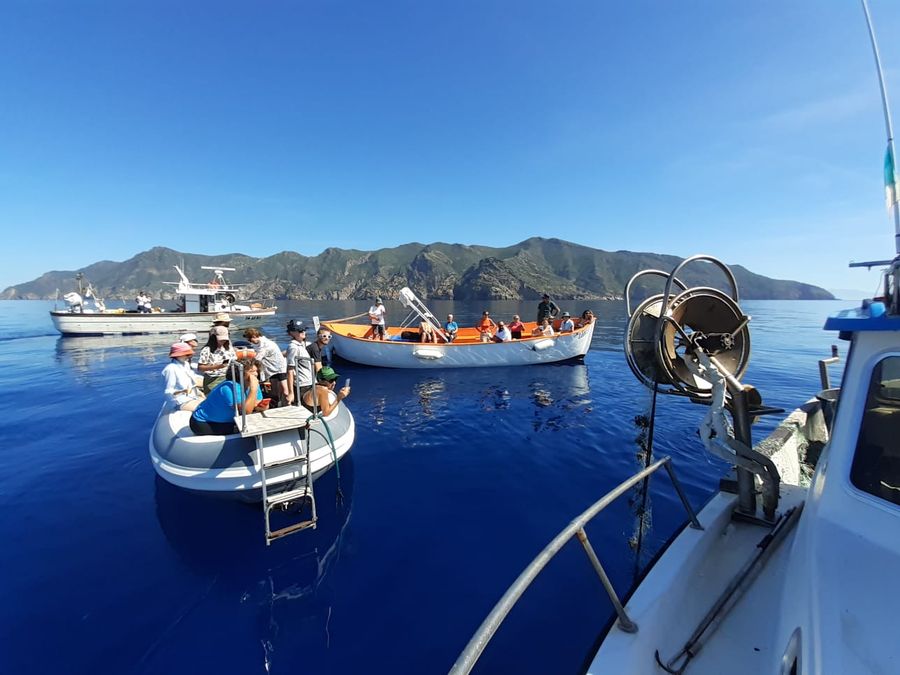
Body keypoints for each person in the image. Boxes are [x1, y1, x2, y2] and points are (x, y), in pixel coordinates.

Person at [189, 358, 265, 435]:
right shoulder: (229, 387)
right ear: (239, 373)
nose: (256, 374)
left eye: (256, 371)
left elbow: (255, 404)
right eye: (251, 372)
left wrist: (262, 406)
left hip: (229, 420)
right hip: (206, 422)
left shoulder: (254, 384)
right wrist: (253, 390)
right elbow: (245, 411)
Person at [243, 327, 288, 406]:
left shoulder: (265, 344)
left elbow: (258, 358)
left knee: (285, 390)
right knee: (274, 390)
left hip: (279, 367)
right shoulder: (259, 344)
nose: (250, 342)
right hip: (270, 368)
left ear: (254, 336)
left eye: (250, 340)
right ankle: (277, 403)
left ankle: (288, 403)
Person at [162, 342, 204, 411]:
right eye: (187, 354)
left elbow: (191, 383)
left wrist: (199, 393)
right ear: (177, 355)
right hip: (181, 402)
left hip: (192, 397)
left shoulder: (186, 364)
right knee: (206, 408)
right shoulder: (171, 369)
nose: (189, 356)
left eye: (189, 354)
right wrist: (176, 402)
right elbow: (169, 391)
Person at [198, 325, 237, 393]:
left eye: (225, 339)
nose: (223, 341)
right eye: (221, 339)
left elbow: (234, 359)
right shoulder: (207, 350)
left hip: (227, 376)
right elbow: (200, 367)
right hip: (213, 378)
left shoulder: (229, 348)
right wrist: (217, 366)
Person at [285, 319, 314, 405]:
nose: (303, 332)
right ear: (292, 333)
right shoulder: (293, 347)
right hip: (302, 385)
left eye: (304, 329)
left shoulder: (301, 345)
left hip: (309, 382)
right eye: (300, 330)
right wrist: (291, 393)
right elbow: (290, 370)